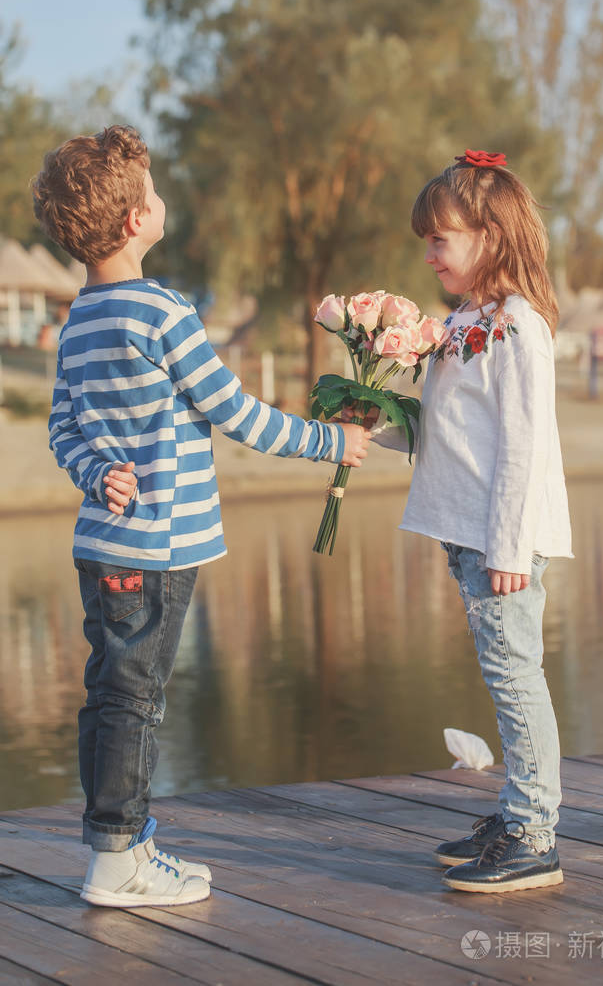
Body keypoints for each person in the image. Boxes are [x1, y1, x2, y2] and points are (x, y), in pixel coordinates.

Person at [32, 125, 370, 908]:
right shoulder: (163, 311)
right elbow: (236, 413)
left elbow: (63, 430)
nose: (159, 202)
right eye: (150, 195)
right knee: (134, 697)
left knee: (111, 693)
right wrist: (333, 441)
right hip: (153, 550)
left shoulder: (79, 319)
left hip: (104, 545)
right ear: (132, 224)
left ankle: (121, 839)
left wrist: (96, 473)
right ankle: (117, 861)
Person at [367, 149, 572, 892]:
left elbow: (522, 447)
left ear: (489, 235)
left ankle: (533, 830)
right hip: (470, 533)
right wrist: (378, 424)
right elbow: (445, 430)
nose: (428, 253)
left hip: (500, 539)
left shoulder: (518, 328)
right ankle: (519, 807)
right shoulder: (464, 322)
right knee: (503, 673)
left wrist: (511, 545)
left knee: (516, 677)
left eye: (439, 238)